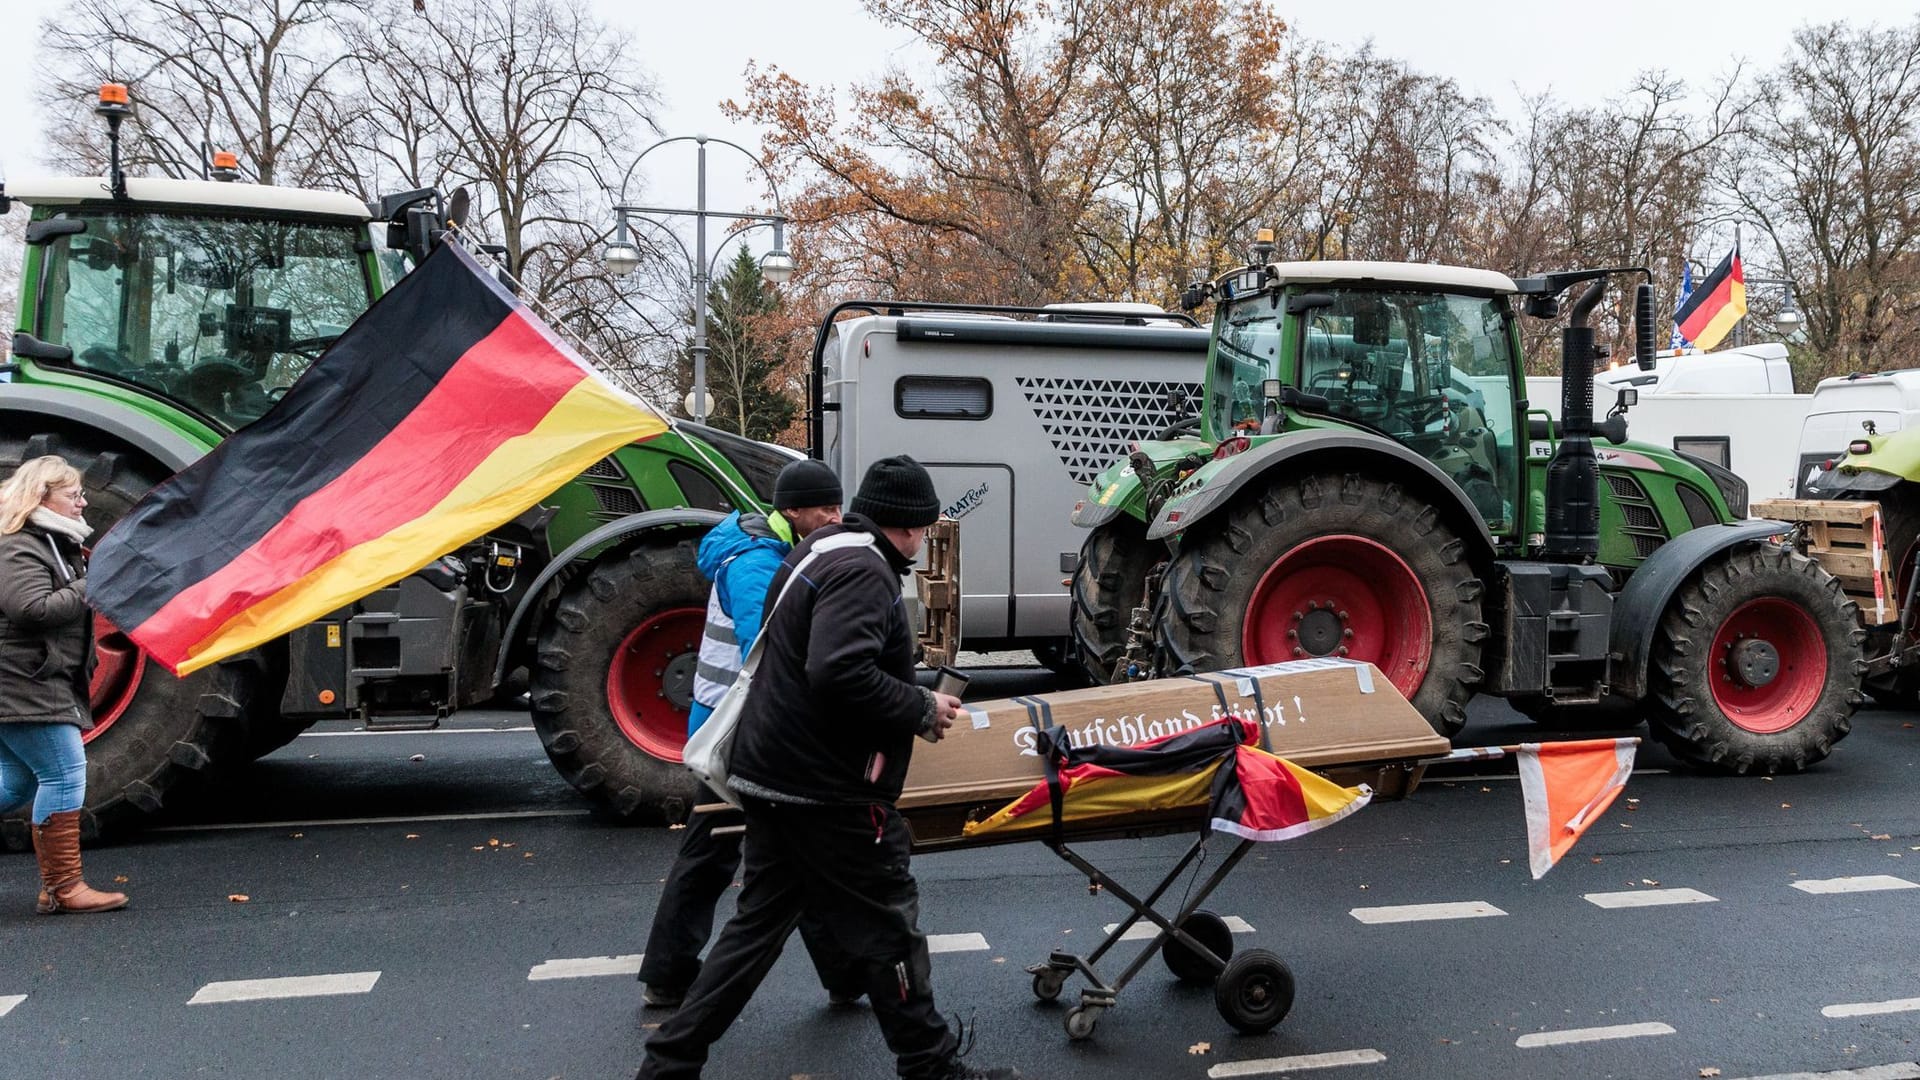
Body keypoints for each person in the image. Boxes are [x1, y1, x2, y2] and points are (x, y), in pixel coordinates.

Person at [635, 455, 1018, 1080]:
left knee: (754, 931)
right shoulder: (865, 572)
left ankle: (668, 1062)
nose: (924, 539)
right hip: (827, 788)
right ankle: (930, 1065)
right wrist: (920, 705)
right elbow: (837, 670)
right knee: (891, 925)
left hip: (772, 772)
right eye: (922, 526)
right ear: (910, 525)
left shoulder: (819, 551)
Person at [638, 458, 856, 1009]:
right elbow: (774, 655)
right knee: (727, 850)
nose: (835, 517)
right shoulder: (756, 565)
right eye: (825, 509)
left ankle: (843, 974)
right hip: (740, 732)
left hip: (738, 725)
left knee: (786, 848)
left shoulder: (770, 549)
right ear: (792, 512)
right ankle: (670, 974)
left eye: (837, 505)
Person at [0, 455, 128, 915]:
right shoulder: (19, 546)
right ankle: (63, 888)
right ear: (42, 497)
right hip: (25, 683)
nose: (83, 502)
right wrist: (90, 585)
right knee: (64, 774)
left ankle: (59, 888)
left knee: (13, 783)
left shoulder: (44, 541)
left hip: (27, 679)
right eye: (74, 495)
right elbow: (30, 609)